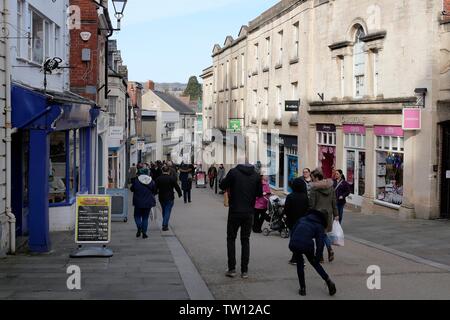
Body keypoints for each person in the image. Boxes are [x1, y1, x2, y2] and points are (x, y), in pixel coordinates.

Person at [220, 164, 263, 279]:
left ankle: (232, 269)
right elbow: (259, 193)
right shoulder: (256, 175)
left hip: (235, 211)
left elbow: (222, 185)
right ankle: (244, 271)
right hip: (249, 212)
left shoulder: (233, 172)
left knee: (231, 238)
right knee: (245, 240)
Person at [289, 209, 337, 297]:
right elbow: (320, 243)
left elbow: (293, 230)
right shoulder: (319, 226)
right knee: (314, 263)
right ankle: (328, 280)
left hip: (294, 243)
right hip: (307, 245)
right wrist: (317, 258)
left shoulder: (302, 219)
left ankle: (302, 289)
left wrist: (293, 242)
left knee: (300, 264)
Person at [309, 168, 339, 263]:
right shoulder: (330, 187)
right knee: (323, 233)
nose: (312, 179)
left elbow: (312, 204)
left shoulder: (314, 188)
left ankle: (320, 256)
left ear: (317, 177)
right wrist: (336, 214)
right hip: (328, 213)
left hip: (317, 214)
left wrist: (309, 213)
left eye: (313, 178)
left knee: (319, 235)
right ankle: (329, 249)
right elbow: (334, 201)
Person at [284, 178, 309, 265]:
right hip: (303, 222)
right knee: (300, 239)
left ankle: (297, 258)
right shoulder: (305, 197)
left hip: (292, 221)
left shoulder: (290, 196)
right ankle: (296, 257)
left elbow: (286, 210)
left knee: (294, 239)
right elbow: (308, 209)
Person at [130, 168, 157, 239]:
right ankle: (144, 233)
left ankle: (139, 227)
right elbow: (155, 191)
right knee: (145, 218)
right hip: (148, 202)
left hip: (138, 202)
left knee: (137, 216)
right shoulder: (151, 181)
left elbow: (132, 189)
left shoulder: (136, 181)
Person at [155, 166, 182, 231]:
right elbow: (177, 187)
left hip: (161, 197)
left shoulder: (158, 179)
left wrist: (154, 193)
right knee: (167, 211)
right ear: (169, 171)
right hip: (170, 197)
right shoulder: (171, 178)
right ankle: (165, 225)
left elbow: (155, 188)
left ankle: (165, 223)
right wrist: (179, 193)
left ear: (162, 171)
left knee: (164, 210)